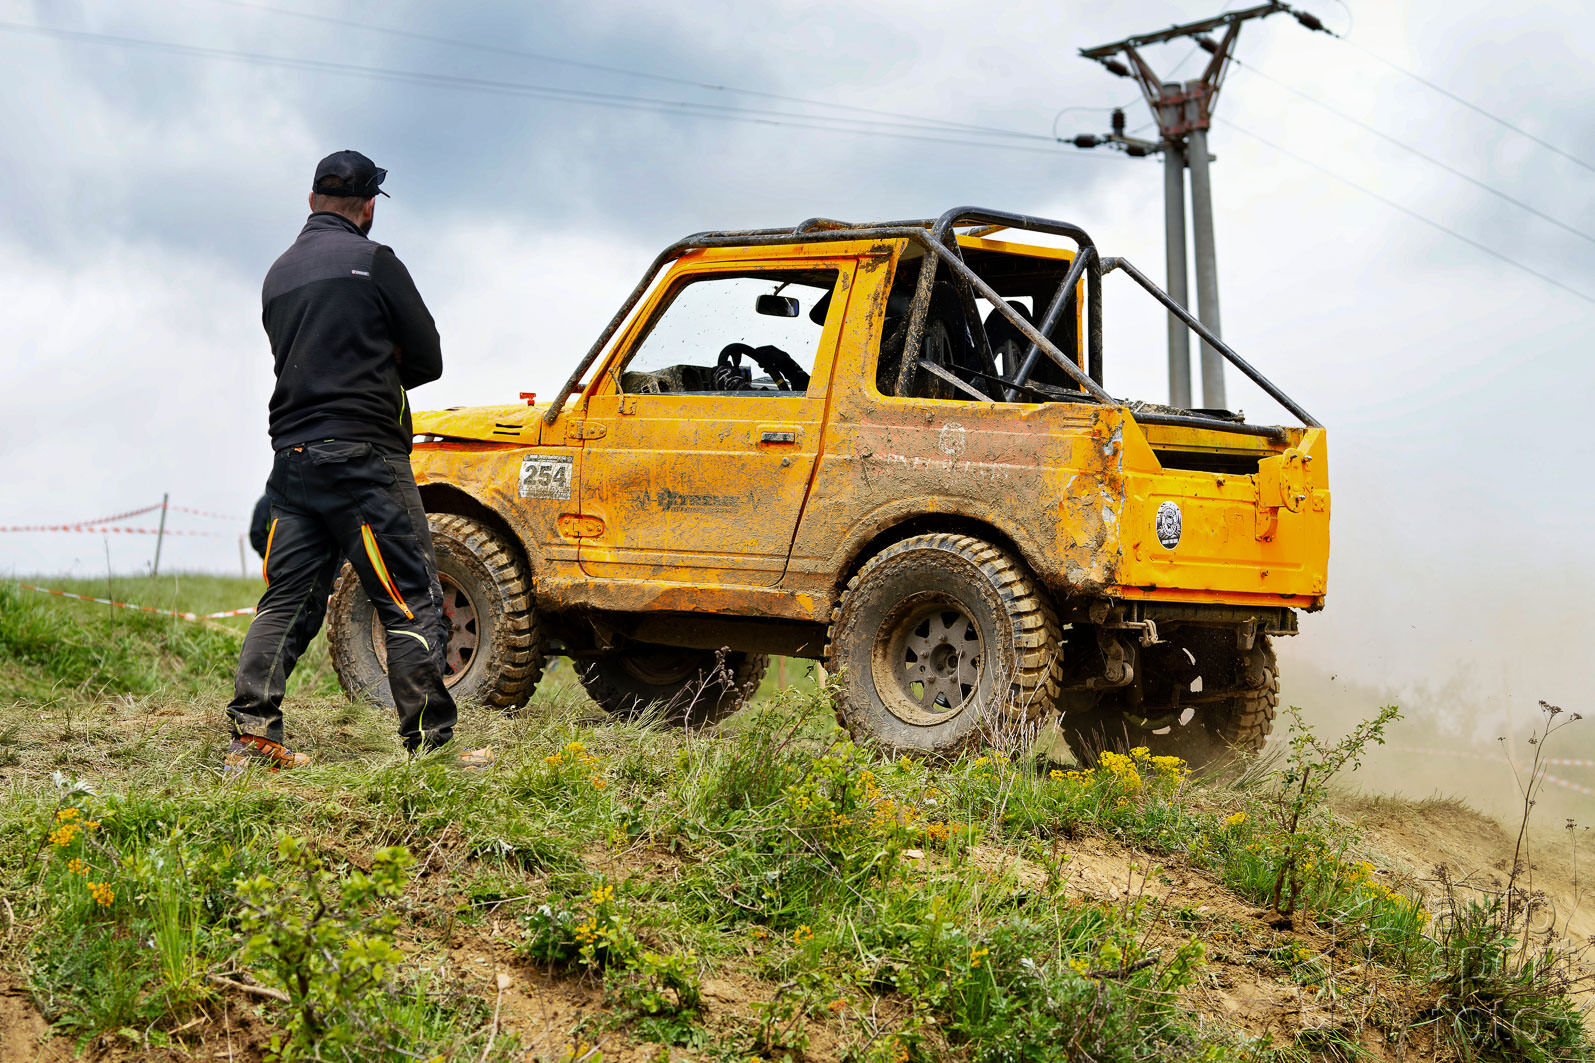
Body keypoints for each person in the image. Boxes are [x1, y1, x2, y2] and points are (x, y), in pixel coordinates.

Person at [224, 150, 490, 772]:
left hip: (292, 459)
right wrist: (381, 357)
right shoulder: (375, 262)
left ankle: (253, 736)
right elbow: (428, 358)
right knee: (410, 597)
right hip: (364, 458)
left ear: (311, 201)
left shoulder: (277, 274)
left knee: (286, 600)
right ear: (369, 206)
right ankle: (430, 749)